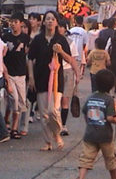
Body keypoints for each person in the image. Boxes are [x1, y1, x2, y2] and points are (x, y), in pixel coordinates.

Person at [28, 10, 79, 151]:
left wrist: (61, 51)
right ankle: (48, 142)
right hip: (40, 79)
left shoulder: (61, 40)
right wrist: (31, 77)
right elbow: (31, 59)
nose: (50, 21)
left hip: (57, 80)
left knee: (53, 111)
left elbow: (69, 59)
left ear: (56, 22)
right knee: (44, 114)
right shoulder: (38, 40)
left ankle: (57, 134)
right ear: (44, 22)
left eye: (52, 19)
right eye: (47, 19)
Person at [76, 69, 116, 179]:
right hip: (105, 135)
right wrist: (115, 120)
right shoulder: (109, 99)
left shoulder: (91, 97)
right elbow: (110, 117)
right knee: (110, 158)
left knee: (86, 158)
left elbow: (85, 112)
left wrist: (89, 122)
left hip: (90, 133)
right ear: (111, 85)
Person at [2, 12, 30, 139]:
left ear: (21, 23)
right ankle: (14, 128)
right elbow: (1, 55)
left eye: (16, 22)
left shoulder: (26, 38)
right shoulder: (5, 37)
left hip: (21, 74)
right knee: (14, 99)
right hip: (9, 73)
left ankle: (6, 120)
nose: (13, 24)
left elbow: (29, 55)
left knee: (20, 102)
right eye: (11, 22)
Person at [58, 19, 80, 136]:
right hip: (55, 71)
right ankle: (56, 124)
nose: (60, 29)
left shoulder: (71, 42)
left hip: (67, 71)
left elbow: (74, 59)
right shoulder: (51, 40)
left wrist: (77, 74)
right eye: (59, 26)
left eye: (62, 27)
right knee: (56, 100)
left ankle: (63, 125)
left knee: (65, 99)